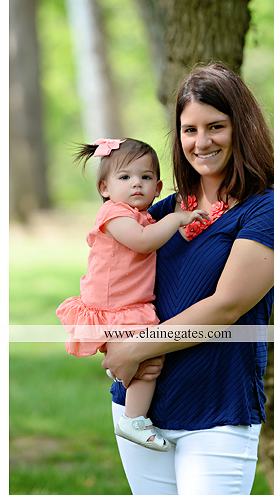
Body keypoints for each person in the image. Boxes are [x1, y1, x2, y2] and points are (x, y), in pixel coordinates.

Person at [101, 64, 274, 495]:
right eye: (189, 129)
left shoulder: (269, 210)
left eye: (216, 126)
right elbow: (113, 277)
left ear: (241, 128)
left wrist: (136, 348)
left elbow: (226, 305)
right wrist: (111, 340)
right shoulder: (163, 212)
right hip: (140, 409)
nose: (201, 141)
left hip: (218, 409)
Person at [56, 138, 207, 452]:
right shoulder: (115, 215)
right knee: (147, 357)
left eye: (146, 177)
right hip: (115, 306)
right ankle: (133, 419)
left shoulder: (142, 215)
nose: (136, 184)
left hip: (125, 304)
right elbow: (142, 242)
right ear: (104, 188)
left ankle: (135, 417)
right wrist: (177, 219)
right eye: (125, 177)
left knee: (147, 360)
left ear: (158, 186)